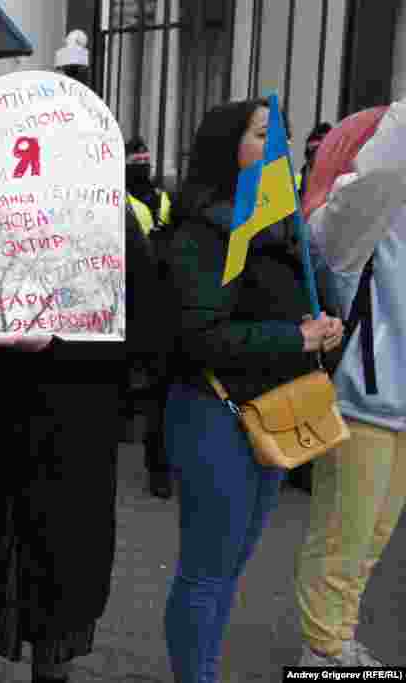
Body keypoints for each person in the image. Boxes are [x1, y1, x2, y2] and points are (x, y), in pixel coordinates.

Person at [0, 89, 161, 683]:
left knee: (58, 599)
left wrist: (62, 340)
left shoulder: (109, 215)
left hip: (69, 436)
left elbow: (148, 332)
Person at [162, 99, 343, 683]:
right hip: (215, 416)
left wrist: (328, 325)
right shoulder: (199, 231)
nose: (278, 148)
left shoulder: (279, 222)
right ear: (227, 147)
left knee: (232, 567)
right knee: (207, 572)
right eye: (264, 135)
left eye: (279, 136)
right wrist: (295, 336)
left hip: (274, 414)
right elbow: (202, 336)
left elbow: (308, 301)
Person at [293, 99, 406, 667]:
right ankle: (323, 654)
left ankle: (337, 643)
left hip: (396, 404)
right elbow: (385, 170)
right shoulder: (347, 225)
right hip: (362, 403)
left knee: (367, 546)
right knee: (343, 540)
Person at [123, 136, 174, 498]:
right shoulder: (121, 199)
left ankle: (161, 465)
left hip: (162, 293)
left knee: (157, 380)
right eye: (136, 157)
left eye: (145, 156)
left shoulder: (163, 198)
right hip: (131, 289)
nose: (142, 162)